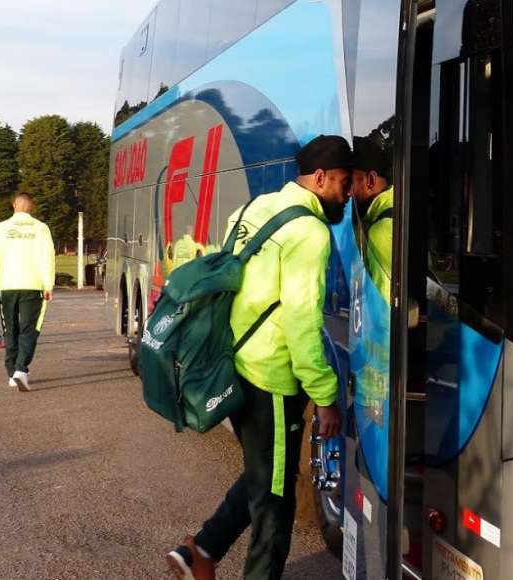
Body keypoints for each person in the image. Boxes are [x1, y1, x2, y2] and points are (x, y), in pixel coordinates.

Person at [166, 135, 348, 580]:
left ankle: (201, 551)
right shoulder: (310, 231)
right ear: (320, 178)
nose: (345, 196)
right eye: (343, 184)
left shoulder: (251, 209)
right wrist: (325, 396)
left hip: (236, 362)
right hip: (271, 378)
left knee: (266, 471)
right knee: (275, 503)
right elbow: (302, 322)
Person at [0, 193, 55, 392]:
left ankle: (12, 371)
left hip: (8, 285)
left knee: (10, 329)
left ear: (14, 205)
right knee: (29, 329)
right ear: (32, 207)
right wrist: (49, 284)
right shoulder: (40, 228)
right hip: (33, 285)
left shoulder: (2, 228)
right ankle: (21, 369)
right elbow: (48, 257)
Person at [351, 136, 394, 298]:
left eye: (349, 182)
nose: (347, 192)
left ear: (370, 180)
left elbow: (384, 308)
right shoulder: (399, 207)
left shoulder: (382, 230)